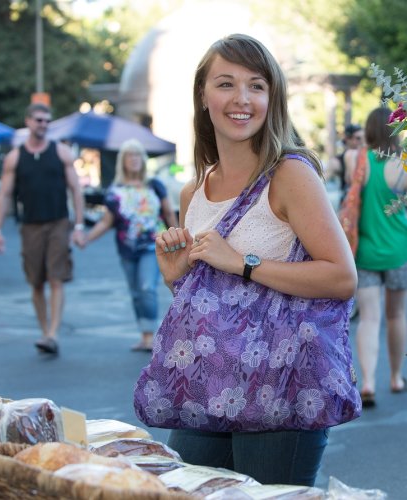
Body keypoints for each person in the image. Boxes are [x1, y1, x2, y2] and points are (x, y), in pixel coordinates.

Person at [152, 34, 357, 486]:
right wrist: (176, 277)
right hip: (210, 384)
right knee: (183, 488)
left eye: (256, 85)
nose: (241, 99)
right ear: (203, 97)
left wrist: (240, 261)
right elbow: (215, 307)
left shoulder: (290, 174)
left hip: (279, 386)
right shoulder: (193, 192)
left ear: (272, 97)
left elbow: (342, 277)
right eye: (225, 84)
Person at [0, 103, 85, 355]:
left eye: (46, 121)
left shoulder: (61, 152)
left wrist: (78, 225)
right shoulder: (15, 157)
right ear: (28, 122)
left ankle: (53, 333)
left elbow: (76, 190)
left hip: (57, 223)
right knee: (36, 282)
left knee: (56, 278)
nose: (42, 124)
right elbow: (3, 195)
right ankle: (44, 330)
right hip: (30, 225)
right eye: (38, 120)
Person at [80, 139, 178, 352]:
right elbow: (107, 221)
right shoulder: (115, 191)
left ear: (142, 160)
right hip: (127, 248)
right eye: (129, 156)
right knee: (135, 292)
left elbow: (169, 213)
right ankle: (144, 335)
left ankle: (152, 336)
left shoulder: (154, 185)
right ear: (122, 161)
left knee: (146, 288)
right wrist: (87, 238)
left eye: (137, 155)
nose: (134, 160)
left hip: (153, 246)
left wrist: (180, 238)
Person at [344, 107, 407, 408]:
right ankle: (395, 376)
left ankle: (368, 382)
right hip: (399, 250)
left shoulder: (357, 160)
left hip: (365, 251)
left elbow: (350, 192)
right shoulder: (403, 163)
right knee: (396, 315)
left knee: (369, 317)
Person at [326, 123, 364, 200]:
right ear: (348, 139)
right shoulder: (336, 162)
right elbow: (322, 181)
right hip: (348, 204)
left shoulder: (368, 157)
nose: (362, 141)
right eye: (358, 138)